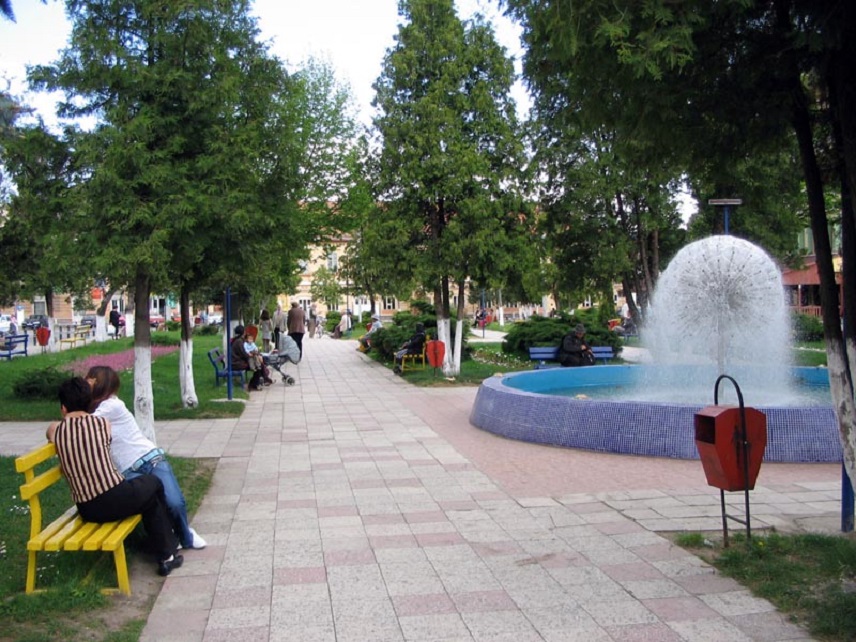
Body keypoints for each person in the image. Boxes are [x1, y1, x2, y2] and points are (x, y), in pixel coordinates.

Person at [46, 377, 183, 577]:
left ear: (63, 408)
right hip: (115, 498)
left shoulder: (57, 431)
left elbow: (51, 430)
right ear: (89, 403)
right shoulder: (102, 424)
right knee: (153, 483)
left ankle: (162, 546)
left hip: (87, 509)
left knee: (150, 498)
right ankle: (167, 552)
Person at [86, 366, 206, 550]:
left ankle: (186, 536)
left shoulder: (112, 405)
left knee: (174, 502)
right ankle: (170, 537)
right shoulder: (92, 411)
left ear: (102, 384)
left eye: (90, 381)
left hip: (151, 460)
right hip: (128, 471)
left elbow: (80, 423)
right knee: (154, 502)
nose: (86, 384)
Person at [230, 325, 264, 390]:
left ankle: (258, 382)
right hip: (237, 364)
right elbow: (244, 354)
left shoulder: (238, 340)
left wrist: (255, 354)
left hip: (237, 362)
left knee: (259, 364)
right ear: (243, 332)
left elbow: (246, 352)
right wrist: (254, 355)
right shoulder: (239, 341)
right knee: (258, 366)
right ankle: (254, 384)